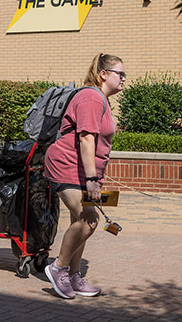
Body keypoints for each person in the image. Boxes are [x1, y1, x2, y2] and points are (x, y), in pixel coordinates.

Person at [43, 53, 126, 299]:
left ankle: (74, 275)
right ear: (103, 74)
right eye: (120, 74)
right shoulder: (91, 97)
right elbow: (86, 139)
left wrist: (96, 179)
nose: (124, 79)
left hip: (81, 170)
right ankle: (58, 269)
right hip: (66, 165)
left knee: (79, 220)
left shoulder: (100, 99)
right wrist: (92, 180)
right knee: (88, 219)